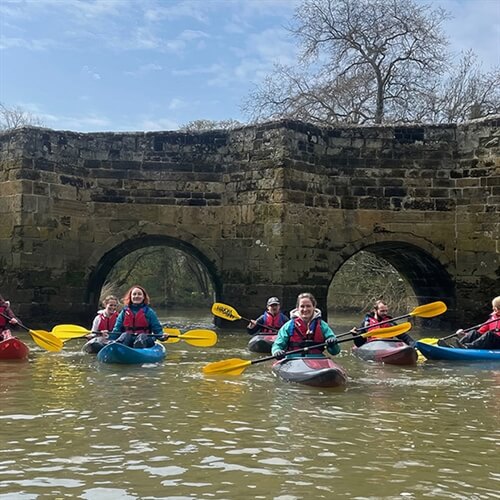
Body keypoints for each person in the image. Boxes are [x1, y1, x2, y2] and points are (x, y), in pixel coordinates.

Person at [271, 292, 340, 359]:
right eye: (302, 306)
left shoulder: (323, 326)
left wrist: (332, 344)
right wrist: (277, 351)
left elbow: (335, 352)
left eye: (308, 306)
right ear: (297, 308)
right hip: (293, 360)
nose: (305, 309)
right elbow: (277, 345)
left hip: (317, 359)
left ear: (314, 307)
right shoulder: (288, 326)